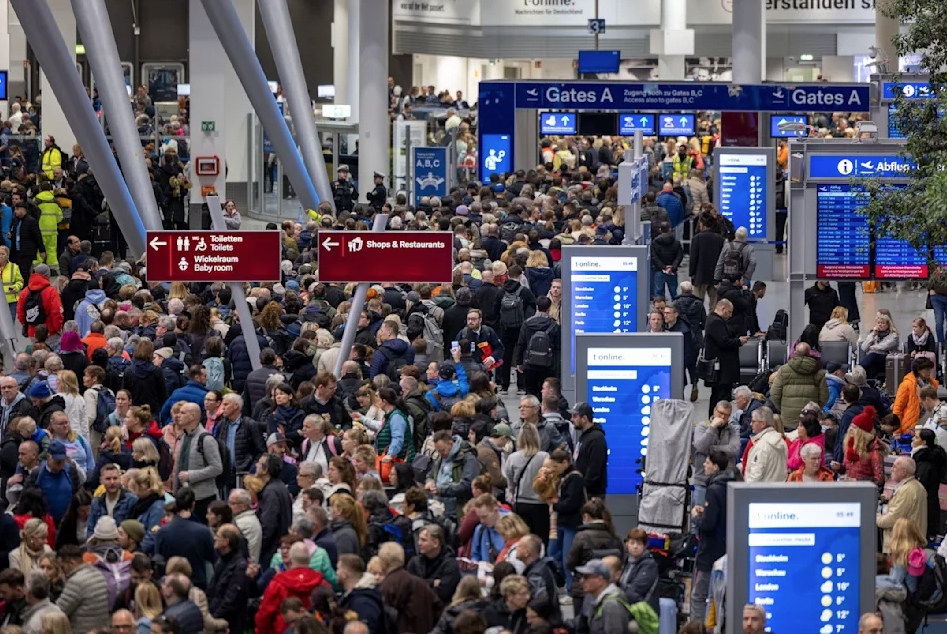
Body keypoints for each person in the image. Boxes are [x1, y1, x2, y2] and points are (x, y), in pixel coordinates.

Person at [690, 450, 735, 625]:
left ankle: (697, 629)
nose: (704, 465)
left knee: (699, 595)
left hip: (709, 552)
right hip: (726, 550)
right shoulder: (731, 485)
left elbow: (708, 525)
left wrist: (696, 516)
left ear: (715, 467)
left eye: (707, 463)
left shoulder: (713, 490)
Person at [255, 542, 329, 634]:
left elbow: (265, 615)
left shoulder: (277, 584)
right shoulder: (322, 583)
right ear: (309, 560)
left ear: (290, 559)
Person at [154, 489, 216, 590]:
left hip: (170, 586)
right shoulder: (203, 531)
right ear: (193, 504)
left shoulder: (162, 532)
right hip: (197, 585)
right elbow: (213, 558)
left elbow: (158, 560)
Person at [703, 299, 748, 417]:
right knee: (721, 395)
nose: (730, 315)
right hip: (722, 368)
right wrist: (739, 341)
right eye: (729, 312)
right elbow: (723, 341)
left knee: (717, 394)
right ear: (722, 309)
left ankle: (715, 417)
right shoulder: (715, 322)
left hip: (722, 367)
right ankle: (719, 418)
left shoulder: (715, 320)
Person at [692, 401, 740, 507]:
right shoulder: (702, 426)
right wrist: (712, 427)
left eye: (726, 415)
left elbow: (734, 449)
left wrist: (712, 449)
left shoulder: (732, 430)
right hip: (702, 479)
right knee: (698, 515)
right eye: (720, 413)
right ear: (714, 411)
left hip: (723, 480)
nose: (722, 417)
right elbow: (700, 446)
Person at [53, 544, 110, 633]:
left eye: (62, 567)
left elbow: (57, 612)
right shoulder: (98, 573)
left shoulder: (75, 582)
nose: (61, 572)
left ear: (72, 563)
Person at [877, 457, 928, 553]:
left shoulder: (906, 491)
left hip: (902, 547)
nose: (891, 469)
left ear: (903, 472)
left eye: (895, 467)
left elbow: (893, 518)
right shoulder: (917, 486)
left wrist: (877, 519)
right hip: (910, 543)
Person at [427, 430, 480, 521]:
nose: (440, 454)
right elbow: (431, 474)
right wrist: (430, 481)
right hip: (439, 507)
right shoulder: (441, 458)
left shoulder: (468, 458)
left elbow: (467, 484)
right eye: (438, 451)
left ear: (451, 444)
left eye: (442, 450)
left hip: (458, 508)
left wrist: (441, 490)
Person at [771, 342, 830, 424]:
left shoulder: (783, 370)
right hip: (810, 419)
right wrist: (815, 409)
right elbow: (824, 396)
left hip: (788, 419)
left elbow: (774, 394)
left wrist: (783, 408)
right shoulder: (818, 372)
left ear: (795, 352)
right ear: (809, 353)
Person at [206, 523, 248, 634]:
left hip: (229, 623)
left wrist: (214, 619)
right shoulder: (220, 561)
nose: (214, 538)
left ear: (226, 541)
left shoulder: (239, 566)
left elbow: (231, 600)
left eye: (218, 536)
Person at [516, 296, 560, 397]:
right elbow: (557, 348)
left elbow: (521, 344)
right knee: (545, 392)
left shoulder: (527, 324)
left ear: (536, 307)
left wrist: (519, 362)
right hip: (547, 365)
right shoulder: (553, 325)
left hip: (529, 363)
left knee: (530, 390)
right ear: (549, 308)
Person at [407, 523, 461, 605]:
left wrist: (419, 585)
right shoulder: (414, 562)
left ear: (435, 543)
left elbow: (443, 593)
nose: (419, 543)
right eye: (419, 539)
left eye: (423, 540)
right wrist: (432, 583)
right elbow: (408, 586)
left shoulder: (450, 565)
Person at [256, 453, 294, 568]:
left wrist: (260, 547)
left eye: (259, 463)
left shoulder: (271, 491)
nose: (256, 465)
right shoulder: (279, 486)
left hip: (271, 550)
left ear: (265, 469)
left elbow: (268, 524)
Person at [575, 559, 631, 634]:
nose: (581, 581)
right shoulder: (600, 600)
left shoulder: (611, 606)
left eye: (586, 577)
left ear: (600, 580)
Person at [834, 406, 885, 487]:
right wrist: (840, 468)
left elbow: (879, 479)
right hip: (849, 489)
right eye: (851, 426)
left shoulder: (874, 450)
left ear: (862, 432)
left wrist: (857, 481)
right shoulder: (849, 445)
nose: (850, 429)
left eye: (854, 428)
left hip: (864, 492)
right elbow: (847, 468)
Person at [911, 428, 945, 538]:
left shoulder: (925, 459)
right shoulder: (933, 455)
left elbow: (921, 481)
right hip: (932, 498)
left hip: (924, 501)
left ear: (924, 442)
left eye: (916, 437)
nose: (913, 439)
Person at [336, 555, 385, 632]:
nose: (336, 573)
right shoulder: (353, 597)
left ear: (345, 574)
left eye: (338, 569)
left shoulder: (363, 603)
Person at [87, 463, 138, 535]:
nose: (112, 482)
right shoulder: (96, 503)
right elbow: (90, 529)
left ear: (120, 479)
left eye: (115, 478)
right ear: (101, 481)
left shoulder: (131, 500)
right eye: (108, 479)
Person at [618, 528, 659, 615]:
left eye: (639, 543)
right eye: (632, 543)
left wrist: (617, 591)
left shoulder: (649, 565)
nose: (635, 546)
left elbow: (635, 592)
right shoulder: (624, 561)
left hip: (642, 613)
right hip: (626, 608)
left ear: (645, 546)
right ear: (627, 544)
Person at [571, 402, 607, 499]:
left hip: (591, 495)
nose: (572, 419)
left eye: (575, 416)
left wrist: (582, 486)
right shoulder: (584, 436)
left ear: (584, 418)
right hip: (584, 493)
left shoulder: (596, 438)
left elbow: (595, 470)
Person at [893, 357, 938, 435]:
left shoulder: (932, 385)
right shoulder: (906, 385)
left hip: (929, 428)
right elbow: (897, 409)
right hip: (911, 429)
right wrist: (897, 431)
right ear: (918, 370)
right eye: (926, 369)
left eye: (929, 369)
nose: (929, 372)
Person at [17, 264, 63, 340]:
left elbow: (20, 312)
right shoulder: (51, 291)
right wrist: (58, 328)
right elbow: (57, 312)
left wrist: (27, 325)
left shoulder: (25, 291)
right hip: (50, 332)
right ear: (47, 275)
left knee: (36, 351)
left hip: (33, 332)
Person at [744, 406, 787, 483]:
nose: (751, 424)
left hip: (761, 492)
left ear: (763, 424)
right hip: (779, 490)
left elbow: (755, 477)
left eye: (753, 421)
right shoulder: (782, 442)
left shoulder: (762, 446)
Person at [859, 313, 900, 380]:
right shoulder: (873, 334)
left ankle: (858, 370)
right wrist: (873, 336)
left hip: (887, 360)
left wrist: (871, 348)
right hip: (874, 360)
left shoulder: (893, 336)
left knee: (873, 355)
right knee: (871, 365)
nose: (880, 325)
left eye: (883, 323)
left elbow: (884, 347)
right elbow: (863, 347)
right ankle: (871, 384)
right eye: (878, 323)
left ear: (888, 325)